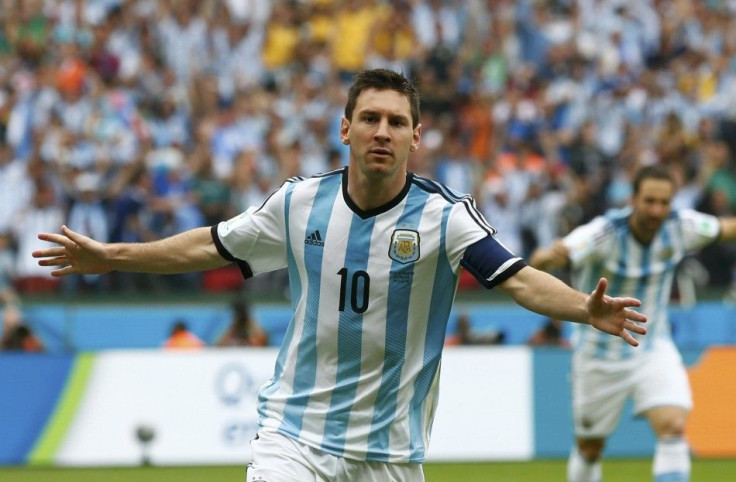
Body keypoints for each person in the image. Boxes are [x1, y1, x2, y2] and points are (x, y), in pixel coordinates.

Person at [33, 69, 647, 482]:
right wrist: (112, 256)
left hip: (390, 453)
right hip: (293, 438)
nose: (384, 131)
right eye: (371, 118)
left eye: (397, 122)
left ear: (416, 138)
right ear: (345, 128)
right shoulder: (299, 204)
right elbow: (211, 246)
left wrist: (583, 309)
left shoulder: (443, 216)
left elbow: (516, 279)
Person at [529, 164, 736, 482]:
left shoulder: (682, 226)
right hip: (598, 355)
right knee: (590, 447)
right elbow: (554, 255)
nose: (657, 210)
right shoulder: (605, 232)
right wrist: (546, 257)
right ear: (633, 199)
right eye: (649, 201)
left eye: (664, 202)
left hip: (653, 347)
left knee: (673, 426)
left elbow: (724, 228)